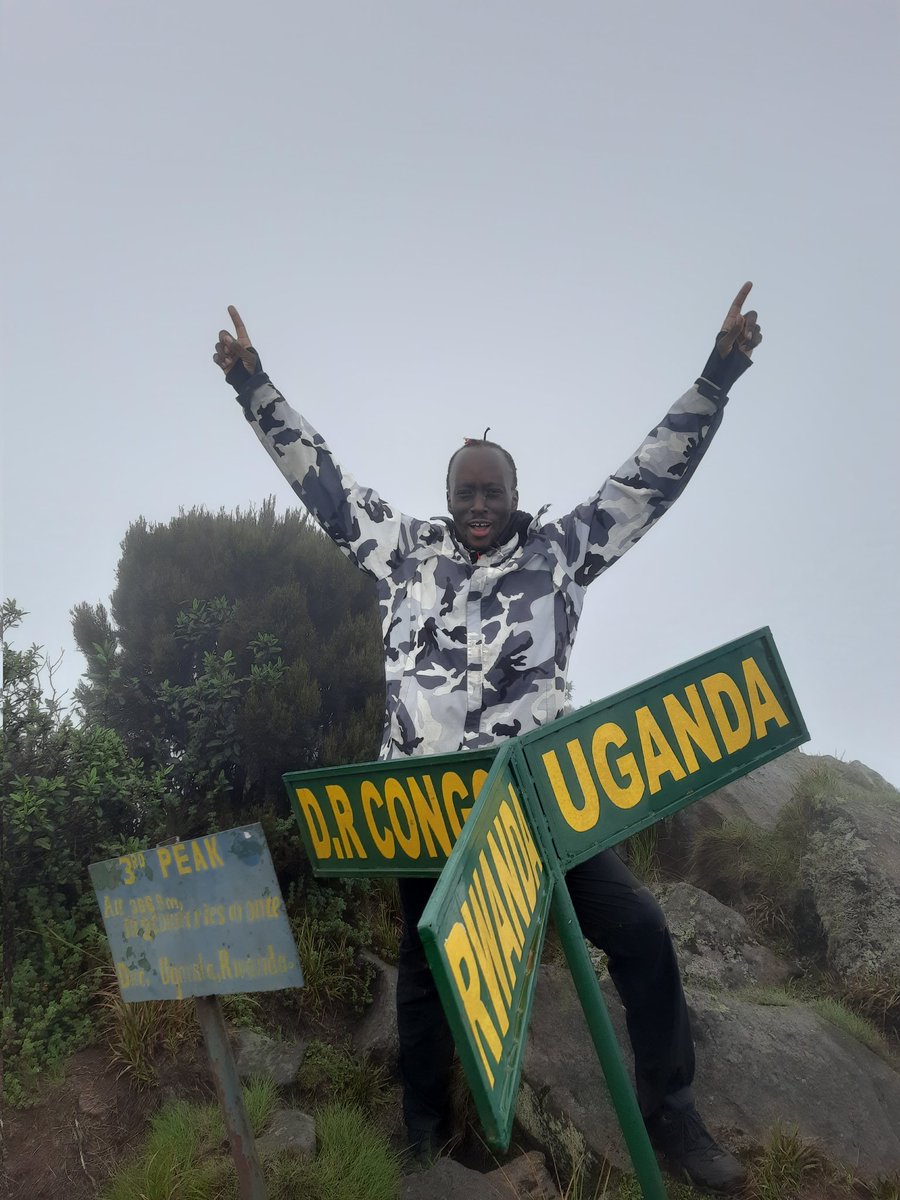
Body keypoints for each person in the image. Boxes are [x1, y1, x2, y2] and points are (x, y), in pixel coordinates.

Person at [214, 286, 761, 1194]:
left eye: (492, 491)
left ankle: (674, 1119)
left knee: (642, 932)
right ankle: (423, 1130)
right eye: (464, 491)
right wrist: (253, 385)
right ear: (446, 497)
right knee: (426, 971)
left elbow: (647, 478)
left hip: (539, 803)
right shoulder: (402, 552)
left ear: (515, 495)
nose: (478, 504)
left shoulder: (562, 553)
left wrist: (719, 374)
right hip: (422, 810)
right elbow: (321, 480)